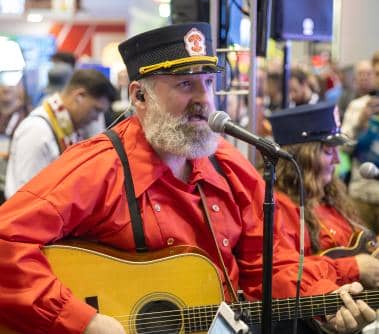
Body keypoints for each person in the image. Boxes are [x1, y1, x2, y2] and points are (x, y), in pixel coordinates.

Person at [0, 22, 375, 334]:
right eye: (185, 84)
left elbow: (267, 268)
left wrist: (326, 300)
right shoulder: (98, 166)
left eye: (209, 82)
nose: (204, 99)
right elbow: (7, 240)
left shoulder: (229, 168)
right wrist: (85, 320)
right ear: (140, 96)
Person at [269, 102, 379, 290]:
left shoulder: (330, 197)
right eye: (328, 151)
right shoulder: (279, 207)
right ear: (303, 157)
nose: (337, 159)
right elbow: (287, 274)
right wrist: (354, 267)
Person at [4, 68, 116, 199]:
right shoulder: (37, 131)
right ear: (79, 96)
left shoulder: (66, 130)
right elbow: (26, 197)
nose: (96, 118)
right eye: (96, 110)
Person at [342, 51, 379, 235]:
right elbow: (343, 147)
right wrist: (361, 123)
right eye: (377, 73)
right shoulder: (358, 107)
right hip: (361, 193)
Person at [0, 82, 29, 203]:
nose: (6, 86)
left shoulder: (27, 118)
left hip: (13, 185)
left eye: (11, 83)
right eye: (3, 83)